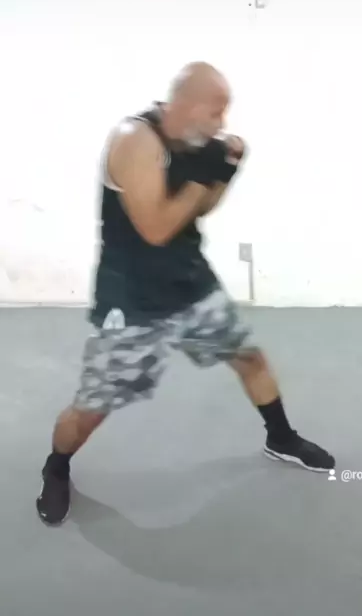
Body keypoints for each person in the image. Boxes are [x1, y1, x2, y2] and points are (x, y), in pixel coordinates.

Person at [36, 62, 335, 526]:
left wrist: (225, 170)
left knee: (249, 357)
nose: (222, 122)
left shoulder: (197, 143)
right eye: (215, 111)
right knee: (94, 406)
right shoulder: (136, 140)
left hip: (189, 282)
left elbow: (201, 208)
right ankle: (56, 469)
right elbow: (156, 229)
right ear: (188, 105)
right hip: (132, 298)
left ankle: (280, 437)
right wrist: (203, 174)